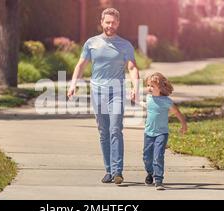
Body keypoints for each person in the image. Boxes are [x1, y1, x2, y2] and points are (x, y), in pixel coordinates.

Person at [67, 8, 140, 185]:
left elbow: (132, 68)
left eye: (113, 22)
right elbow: (81, 65)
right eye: (107, 22)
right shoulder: (91, 43)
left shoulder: (125, 45)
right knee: (103, 132)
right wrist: (73, 83)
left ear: (118, 23)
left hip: (117, 92)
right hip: (97, 92)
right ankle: (108, 170)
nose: (110, 25)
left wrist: (135, 87)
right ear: (101, 22)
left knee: (115, 129)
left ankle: (117, 171)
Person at [140, 73, 187, 190]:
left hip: (162, 133)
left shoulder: (167, 101)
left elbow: (177, 113)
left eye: (152, 86)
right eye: (148, 85)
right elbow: (147, 106)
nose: (149, 88)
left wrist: (184, 124)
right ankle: (150, 173)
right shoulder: (149, 98)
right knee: (147, 157)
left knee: (158, 156)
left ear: (160, 87)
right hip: (148, 133)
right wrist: (134, 100)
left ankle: (159, 180)